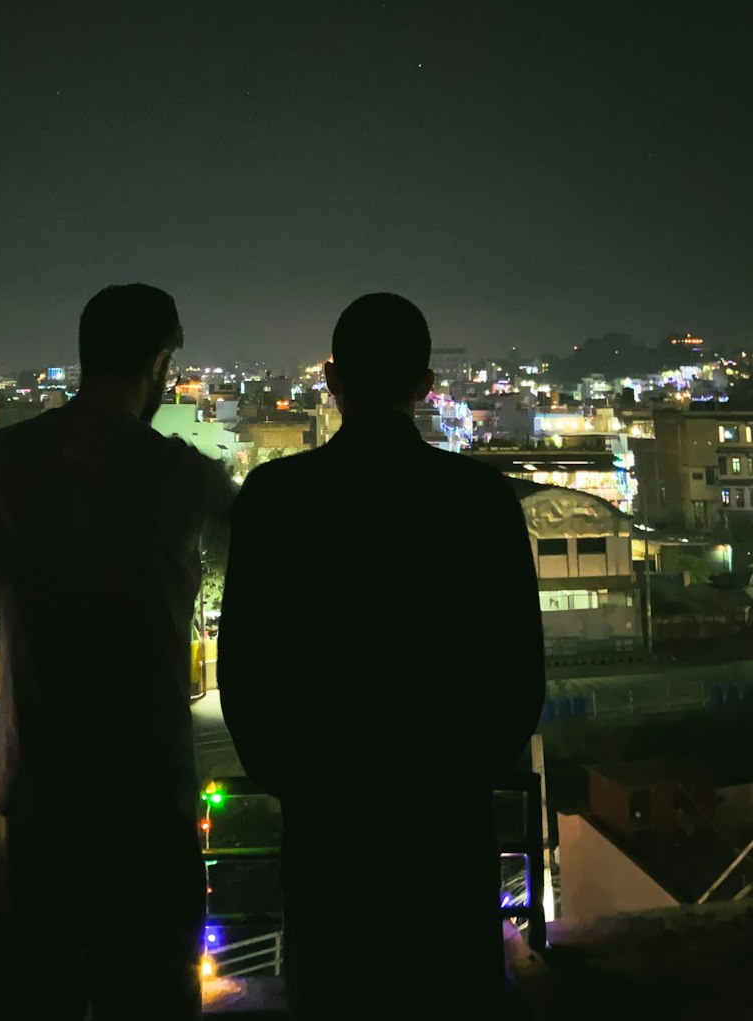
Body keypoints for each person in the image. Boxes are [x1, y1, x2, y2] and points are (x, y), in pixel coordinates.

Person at [217, 293, 545, 1020]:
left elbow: (242, 674)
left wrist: (297, 776)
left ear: (331, 378)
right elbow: (520, 673)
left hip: (328, 826)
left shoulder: (277, 499)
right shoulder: (481, 499)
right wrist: (461, 770)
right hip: (446, 827)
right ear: (426, 384)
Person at [0, 284, 235, 1021]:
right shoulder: (182, 477)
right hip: (148, 802)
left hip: (38, 805)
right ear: (160, 363)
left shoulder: (9, 461)